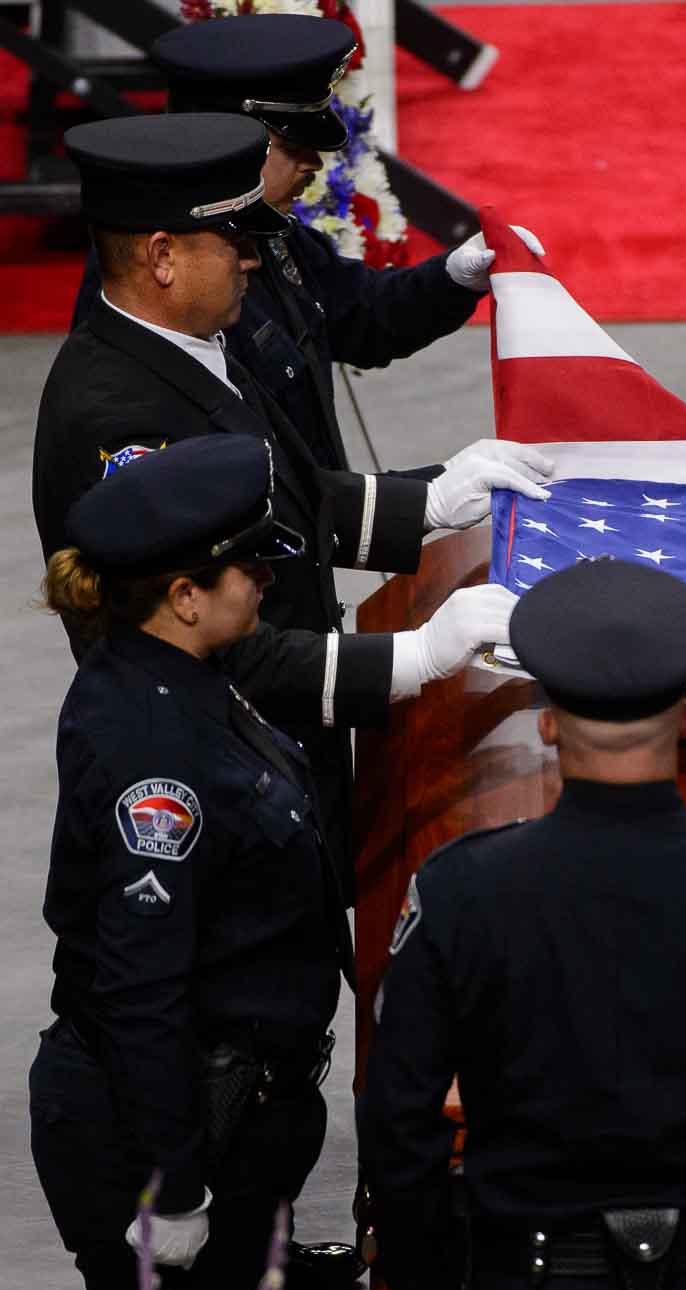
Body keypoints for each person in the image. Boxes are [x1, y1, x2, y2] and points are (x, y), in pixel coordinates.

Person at [356, 559, 686, 1290]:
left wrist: (432, 1280)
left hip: (526, 1279)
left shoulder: (460, 892)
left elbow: (396, 1119)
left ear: (546, 723)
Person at [34, 111, 542, 881]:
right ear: (162, 256)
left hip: (274, 749)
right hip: (212, 794)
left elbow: (285, 498)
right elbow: (207, 641)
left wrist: (435, 500)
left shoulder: (190, 345)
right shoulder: (121, 418)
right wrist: (409, 660)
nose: (251, 262)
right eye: (233, 242)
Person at [29, 435, 415, 1290]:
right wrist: (174, 1188)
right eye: (249, 570)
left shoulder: (184, 673)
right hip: (167, 1136)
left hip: (241, 1118)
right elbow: (141, 981)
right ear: (184, 596)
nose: (267, 582)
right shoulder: (152, 753)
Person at [71, 11, 540, 471]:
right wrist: (421, 499)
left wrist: (454, 277)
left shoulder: (264, 233)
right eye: (292, 145)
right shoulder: (159, 283)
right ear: (225, 140)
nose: (314, 163)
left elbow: (360, 315)